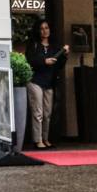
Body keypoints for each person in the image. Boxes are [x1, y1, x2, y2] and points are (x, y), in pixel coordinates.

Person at [25, 20, 67, 149]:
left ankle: (45, 138)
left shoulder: (53, 47)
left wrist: (64, 55)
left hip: (49, 82)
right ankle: (37, 141)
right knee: (38, 112)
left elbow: (59, 65)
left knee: (47, 113)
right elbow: (29, 61)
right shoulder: (33, 45)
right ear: (38, 31)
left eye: (47, 28)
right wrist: (44, 61)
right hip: (35, 81)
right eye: (42, 29)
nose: (45, 31)